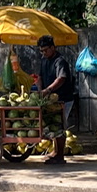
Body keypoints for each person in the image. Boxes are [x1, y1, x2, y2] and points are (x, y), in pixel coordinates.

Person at [36, 35, 74, 165]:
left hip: (63, 99)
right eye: (41, 51)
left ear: (53, 47)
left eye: (46, 50)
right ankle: (55, 152)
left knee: (60, 126)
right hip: (50, 100)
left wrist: (48, 90)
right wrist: (41, 89)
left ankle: (60, 156)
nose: (44, 53)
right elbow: (40, 77)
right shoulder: (44, 60)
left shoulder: (60, 61)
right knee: (53, 125)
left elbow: (61, 78)